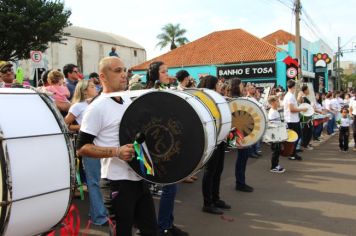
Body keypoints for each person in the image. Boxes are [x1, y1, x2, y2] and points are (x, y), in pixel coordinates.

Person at [76, 56, 157, 236]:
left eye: (124, 70)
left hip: (138, 177)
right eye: (117, 71)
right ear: (102, 77)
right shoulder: (96, 108)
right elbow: (81, 147)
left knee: (151, 230)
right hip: (117, 182)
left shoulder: (127, 101)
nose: (124, 75)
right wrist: (116, 152)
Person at [145, 61, 189, 236]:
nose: (167, 74)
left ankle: (166, 224)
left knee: (170, 187)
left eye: (167, 71)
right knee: (160, 189)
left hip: (168, 145)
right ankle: (160, 225)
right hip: (155, 147)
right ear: (155, 74)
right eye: (163, 72)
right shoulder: (149, 93)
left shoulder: (167, 91)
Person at [65, 80, 108, 226]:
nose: (95, 88)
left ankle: (97, 212)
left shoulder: (98, 103)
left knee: (101, 182)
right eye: (91, 86)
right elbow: (66, 124)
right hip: (89, 148)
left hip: (101, 147)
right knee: (94, 182)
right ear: (84, 91)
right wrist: (81, 127)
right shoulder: (78, 106)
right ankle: (99, 217)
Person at [199, 75, 231, 215]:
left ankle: (216, 198)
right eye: (218, 84)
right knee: (210, 172)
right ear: (212, 84)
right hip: (212, 140)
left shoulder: (216, 97)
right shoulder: (205, 98)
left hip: (220, 138)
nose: (220, 86)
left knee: (218, 170)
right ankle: (208, 202)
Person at [229, 78, 254, 193]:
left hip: (241, 132)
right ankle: (240, 183)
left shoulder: (237, 98)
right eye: (241, 84)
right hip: (239, 133)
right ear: (237, 86)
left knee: (243, 157)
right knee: (242, 158)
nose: (243, 86)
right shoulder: (234, 100)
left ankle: (241, 182)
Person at [283, 80, 307, 161]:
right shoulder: (289, 96)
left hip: (293, 119)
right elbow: (292, 109)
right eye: (296, 86)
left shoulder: (290, 95)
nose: (296, 88)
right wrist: (302, 109)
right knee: (295, 136)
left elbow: (294, 106)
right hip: (291, 120)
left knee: (296, 136)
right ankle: (292, 153)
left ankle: (292, 153)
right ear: (293, 87)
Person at [267, 96, 285, 173]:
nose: (278, 102)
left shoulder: (275, 111)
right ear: (272, 103)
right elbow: (272, 124)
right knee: (275, 151)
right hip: (274, 135)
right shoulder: (272, 112)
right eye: (277, 101)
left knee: (277, 151)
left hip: (277, 134)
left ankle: (276, 165)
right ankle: (273, 167)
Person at [299, 85, 313, 150]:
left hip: (309, 117)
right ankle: (305, 144)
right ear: (305, 90)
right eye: (308, 89)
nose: (309, 91)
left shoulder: (305, 98)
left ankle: (306, 143)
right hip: (305, 118)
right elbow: (303, 108)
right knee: (306, 131)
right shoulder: (303, 98)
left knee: (308, 131)